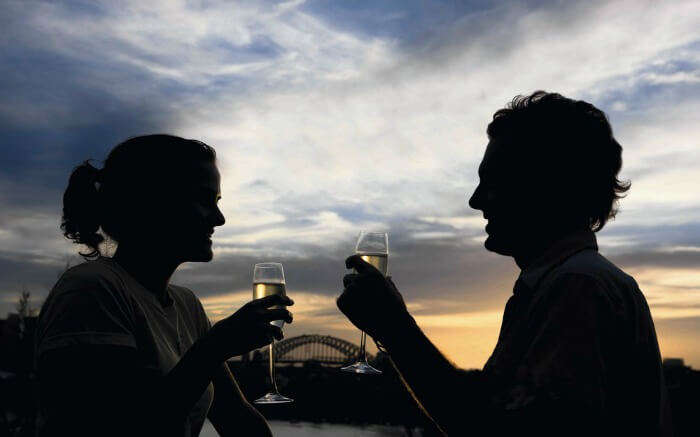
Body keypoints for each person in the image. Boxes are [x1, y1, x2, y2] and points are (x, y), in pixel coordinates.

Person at [338, 92, 673, 437]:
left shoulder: (577, 287)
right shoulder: (571, 283)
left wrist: (394, 328)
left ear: (546, 184)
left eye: (493, 180)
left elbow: (491, 428)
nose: (475, 200)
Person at [35, 135, 293, 437]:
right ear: (154, 201)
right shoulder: (92, 290)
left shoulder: (187, 305)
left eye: (217, 202)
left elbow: (237, 420)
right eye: (204, 199)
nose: (219, 218)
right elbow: (116, 425)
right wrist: (213, 349)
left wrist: (214, 348)